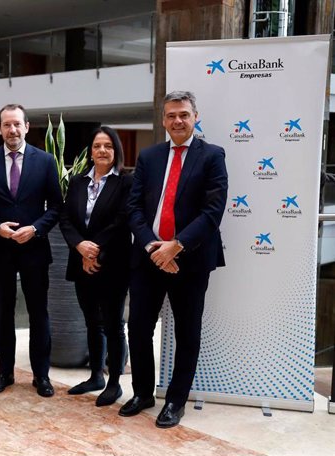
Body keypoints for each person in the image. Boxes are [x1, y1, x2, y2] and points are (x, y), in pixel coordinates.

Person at [121, 91, 228, 428]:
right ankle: (141, 393)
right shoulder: (149, 156)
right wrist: (155, 247)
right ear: (163, 120)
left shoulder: (212, 156)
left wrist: (176, 246)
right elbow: (133, 207)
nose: (177, 121)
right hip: (149, 258)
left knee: (187, 331)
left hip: (191, 260)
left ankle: (175, 402)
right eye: (171, 115)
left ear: (195, 116)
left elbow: (213, 212)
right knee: (138, 327)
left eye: (183, 114)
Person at [0, 104, 62, 397]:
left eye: (17, 124)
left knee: (39, 313)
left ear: (27, 127)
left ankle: (41, 375)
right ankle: (4, 372)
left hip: (34, 249)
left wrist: (35, 229)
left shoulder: (46, 161)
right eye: (6, 125)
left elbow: (56, 207)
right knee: (3, 314)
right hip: (0, 249)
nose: (12, 130)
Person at [59, 126, 132, 406]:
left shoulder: (125, 182)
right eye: (97, 145)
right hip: (81, 263)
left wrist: (95, 251)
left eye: (108, 146)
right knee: (92, 322)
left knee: (114, 324)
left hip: (112, 265)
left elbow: (122, 221)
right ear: (91, 151)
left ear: (116, 151)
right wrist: (80, 247)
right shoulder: (77, 182)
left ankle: (114, 383)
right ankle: (95, 376)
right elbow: (66, 219)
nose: (102, 150)